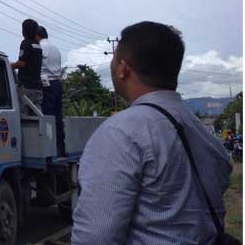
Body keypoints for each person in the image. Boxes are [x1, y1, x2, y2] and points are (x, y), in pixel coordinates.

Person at [72, 22, 232, 245]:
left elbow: (96, 238)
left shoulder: (119, 133)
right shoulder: (203, 132)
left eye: (114, 58)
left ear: (123, 69)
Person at [36, 26, 65, 156]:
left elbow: (38, 67)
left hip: (46, 84)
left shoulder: (40, 48)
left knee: (47, 116)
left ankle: (50, 148)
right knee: (58, 116)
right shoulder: (56, 49)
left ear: (37, 36)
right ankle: (60, 147)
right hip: (58, 83)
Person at [11, 18, 43, 113]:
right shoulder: (38, 45)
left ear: (24, 31)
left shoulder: (26, 43)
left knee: (23, 114)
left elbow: (22, 63)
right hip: (37, 86)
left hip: (26, 87)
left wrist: (9, 65)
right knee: (37, 114)